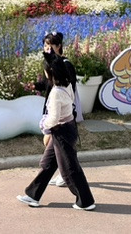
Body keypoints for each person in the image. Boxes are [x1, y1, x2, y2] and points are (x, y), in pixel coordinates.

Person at [18, 54, 96, 211]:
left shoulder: (56, 93)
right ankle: (33, 195)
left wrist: (44, 126)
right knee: (48, 163)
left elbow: (53, 118)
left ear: (50, 73)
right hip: (65, 129)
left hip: (62, 131)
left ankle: (85, 201)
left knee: (69, 168)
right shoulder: (66, 85)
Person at [33, 31, 82, 188]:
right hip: (52, 107)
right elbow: (48, 83)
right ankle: (62, 174)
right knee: (55, 147)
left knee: (55, 145)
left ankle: (65, 175)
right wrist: (35, 86)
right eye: (45, 45)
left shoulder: (65, 64)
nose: (47, 48)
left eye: (51, 45)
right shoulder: (51, 63)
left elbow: (69, 87)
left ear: (59, 46)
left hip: (62, 112)